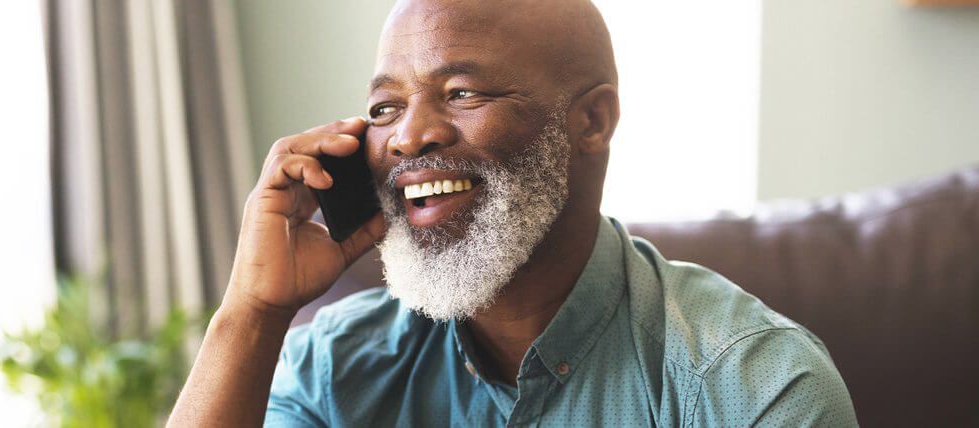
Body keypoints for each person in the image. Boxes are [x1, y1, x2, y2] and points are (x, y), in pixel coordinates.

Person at [169, 0, 858, 426]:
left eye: (462, 92)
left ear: (590, 120)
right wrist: (252, 313)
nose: (408, 136)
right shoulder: (331, 369)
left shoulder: (752, 387)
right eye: (385, 107)